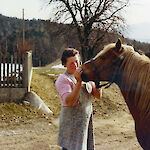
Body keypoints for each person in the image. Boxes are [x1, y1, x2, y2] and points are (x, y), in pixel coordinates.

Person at [55, 48, 102, 150]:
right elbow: (70, 102)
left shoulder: (85, 76)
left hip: (84, 123)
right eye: (71, 63)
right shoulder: (63, 80)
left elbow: (98, 96)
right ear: (64, 64)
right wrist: (79, 82)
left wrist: (97, 82)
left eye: (76, 62)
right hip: (71, 125)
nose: (75, 65)